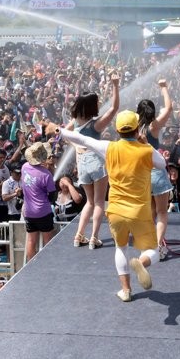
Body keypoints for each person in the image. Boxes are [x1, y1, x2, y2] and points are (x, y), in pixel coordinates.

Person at [50, 111, 168, 303]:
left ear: (117, 130)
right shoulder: (145, 150)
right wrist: (145, 143)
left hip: (116, 210)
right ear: (138, 130)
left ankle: (126, 291)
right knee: (152, 250)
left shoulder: (108, 147)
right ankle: (141, 263)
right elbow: (162, 164)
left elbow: (81, 139)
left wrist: (59, 130)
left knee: (121, 249)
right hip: (139, 210)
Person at [69, 71, 120, 249]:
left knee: (89, 202)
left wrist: (77, 147)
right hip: (97, 164)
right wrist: (115, 85)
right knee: (99, 202)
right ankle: (94, 238)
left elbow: (65, 134)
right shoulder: (95, 125)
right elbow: (114, 108)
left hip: (82, 163)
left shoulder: (75, 122)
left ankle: (78, 236)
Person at [136, 79, 174, 258]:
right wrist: (164, 88)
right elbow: (169, 108)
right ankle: (158, 247)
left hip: (142, 176)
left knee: (150, 212)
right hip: (157, 174)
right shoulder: (153, 127)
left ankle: (148, 245)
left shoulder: (135, 130)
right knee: (161, 213)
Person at [20, 142, 58, 262]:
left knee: (31, 240)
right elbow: (52, 195)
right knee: (48, 240)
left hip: (29, 211)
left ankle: (31, 264)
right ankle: (47, 264)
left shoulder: (24, 167)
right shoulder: (46, 174)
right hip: (43, 211)